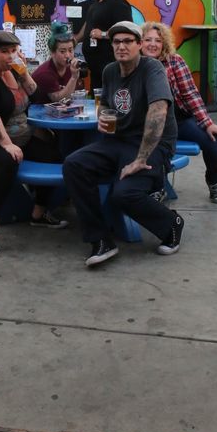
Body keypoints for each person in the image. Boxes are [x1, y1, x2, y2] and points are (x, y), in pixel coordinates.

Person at [63, 21, 182, 266]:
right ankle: (100, 239)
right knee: (74, 164)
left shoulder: (152, 69)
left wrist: (140, 159)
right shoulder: (110, 71)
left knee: (123, 194)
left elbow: (158, 110)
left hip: (154, 144)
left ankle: (171, 223)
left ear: (139, 45)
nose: (121, 46)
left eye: (128, 41)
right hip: (118, 140)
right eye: (116, 42)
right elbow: (106, 103)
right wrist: (103, 117)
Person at [0, 30, 67, 255]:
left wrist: (24, 73)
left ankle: (38, 214)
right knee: (7, 161)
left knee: (53, 155)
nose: (11, 56)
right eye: (5, 52)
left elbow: (37, 97)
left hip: (18, 136)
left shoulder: (14, 70)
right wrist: (7, 145)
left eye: (14, 51)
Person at [141, 21, 217, 203]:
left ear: (164, 43)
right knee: (150, 146)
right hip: (149, 124)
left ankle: (213, 182)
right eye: (148, 39)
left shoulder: (174, 61)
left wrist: (207, 123)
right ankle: (157, 188)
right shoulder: (134, 64)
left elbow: (190, 94)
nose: (152, 44)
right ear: (140, 42)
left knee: (216, 139)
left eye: (158, 40)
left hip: (179, 120)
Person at [73, 0, 132, 89]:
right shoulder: (95, 5)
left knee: (110, 93)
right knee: (97, 95)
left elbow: (126, 29)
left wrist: (103, 34)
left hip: (109, 63)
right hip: (95, 67)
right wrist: (75, 39)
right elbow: (88, 24)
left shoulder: (118, 2)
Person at [31, 22, 83, 103]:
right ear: (52, 53)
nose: (68, 55)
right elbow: (59, 100)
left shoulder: (71, 68)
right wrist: (74, 78)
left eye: (70, 50)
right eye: (62, 51)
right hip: (40, 109)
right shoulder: (45, 73)